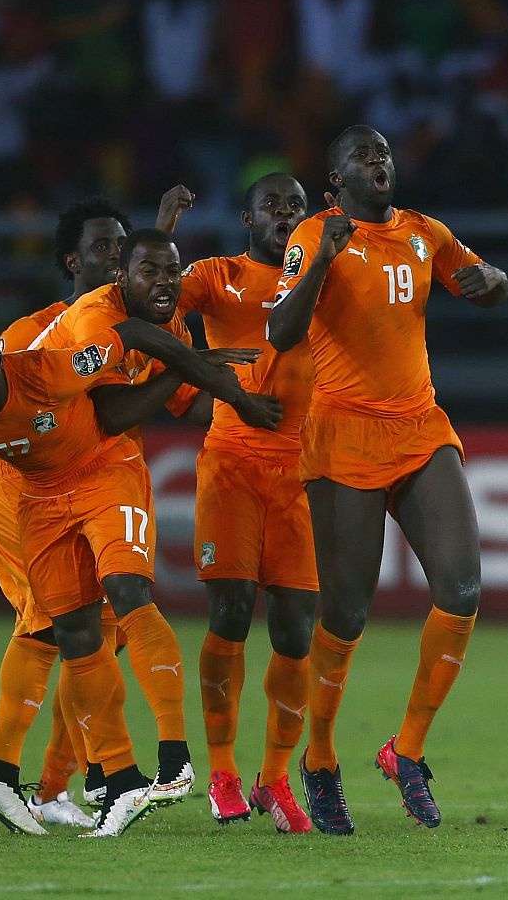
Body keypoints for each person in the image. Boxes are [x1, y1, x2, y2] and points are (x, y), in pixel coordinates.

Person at [0, 314, 269, 837]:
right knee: (71, 633)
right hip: (41, 501)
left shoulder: (50, 372)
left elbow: (133, 333)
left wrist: (196, 367)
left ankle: (175, 760)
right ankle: (118, 780)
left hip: (104, 472)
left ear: (0, 360)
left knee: (126, 592)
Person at [267, 125, 508, 834]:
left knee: (462, 588)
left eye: (383, 152)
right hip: (343, 435)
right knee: (345, 615)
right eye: (361, 155)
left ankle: (406, 751)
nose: (379, 161)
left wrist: (492, 284)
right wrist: (320, 264)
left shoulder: (425, 232)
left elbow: (489, 284)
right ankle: (318, 760)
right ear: (333, 181)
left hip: (420, 428)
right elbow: (282, 334)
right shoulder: (312, 236)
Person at [31, 226, 283, 811]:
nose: (166, 282)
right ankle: (65, 777)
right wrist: (199, 369)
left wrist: (239, 388)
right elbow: (115, 411)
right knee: (61, 629)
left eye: (175, 272)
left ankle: (161, 764)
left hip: (99, 468)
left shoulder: (167, 323)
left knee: (118, 602)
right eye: (152, 272)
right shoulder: (98, 320)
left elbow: (187, 402)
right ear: (123, 276)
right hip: (33, 474)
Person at [0, 193, 183, 831]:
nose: (116, 257)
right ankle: (50, 775)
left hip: (85, 478)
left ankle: (57, 785)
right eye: (102, 247)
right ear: (70, 260)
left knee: (95, 627)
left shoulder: (127, 314)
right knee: (55, 620)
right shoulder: (37, 334)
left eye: (121, 246)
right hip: (13, 474)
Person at [173, 173, 318, 832]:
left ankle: (276, 778)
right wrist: (165, 228)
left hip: (305, 473)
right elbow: (146, 303)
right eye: (273, 205)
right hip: (231, 465)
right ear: (247, 218)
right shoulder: (215, 275)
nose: (285, 214)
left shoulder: (324, 279)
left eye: (296, 205)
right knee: (230, 614)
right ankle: (224, 771)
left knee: (296, 632)